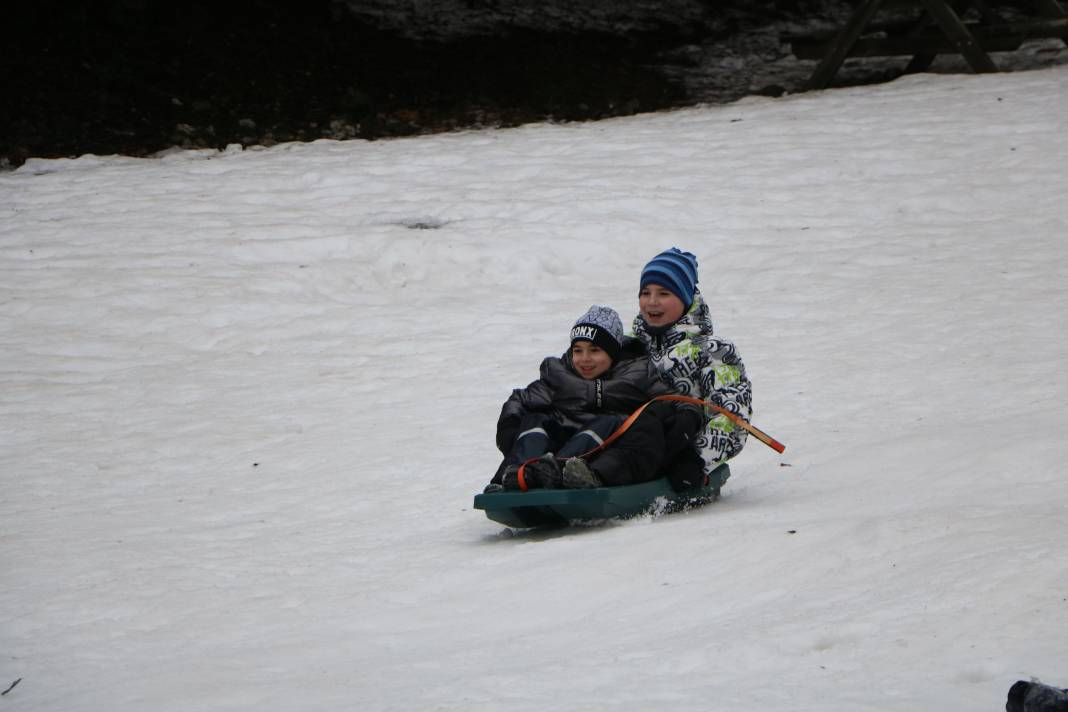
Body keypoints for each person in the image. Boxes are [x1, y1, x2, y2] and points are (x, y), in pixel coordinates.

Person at [486, 305, 676, 492]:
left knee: (609, 421)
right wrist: (509, 426)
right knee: (535, 420)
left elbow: (669, 400)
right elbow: (520, 400)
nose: (585, 359)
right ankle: (513, 475)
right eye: (578, 350)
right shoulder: (560, 375)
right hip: (554, 447)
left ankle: (560, 470)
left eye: (594, 350)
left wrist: (679, 416)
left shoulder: (636, 375)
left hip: (597, 453)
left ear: (613, 353)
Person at [625, 247, 754, 490]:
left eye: (664, 293)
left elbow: (731, 414)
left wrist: (697, 460)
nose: (652, 302)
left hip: (682, 456)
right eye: (645, 292)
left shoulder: (713, 351)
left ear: (685, 299)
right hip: (627, 447)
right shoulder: (627, 345)